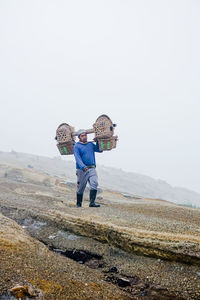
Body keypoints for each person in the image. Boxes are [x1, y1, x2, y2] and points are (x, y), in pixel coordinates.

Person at [73, 129, 103, 208]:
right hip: (81, 169)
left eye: (85, 135)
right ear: (79, 137)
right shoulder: (77, 146)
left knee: (94, 183)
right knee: (81, 187)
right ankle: (78, 204)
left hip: (92, 168)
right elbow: (77, 158)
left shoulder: (90, 144)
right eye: (82, 136)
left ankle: (92, 203)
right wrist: (83, 167)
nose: (84, 137)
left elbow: (99, 150)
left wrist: (97, 141)